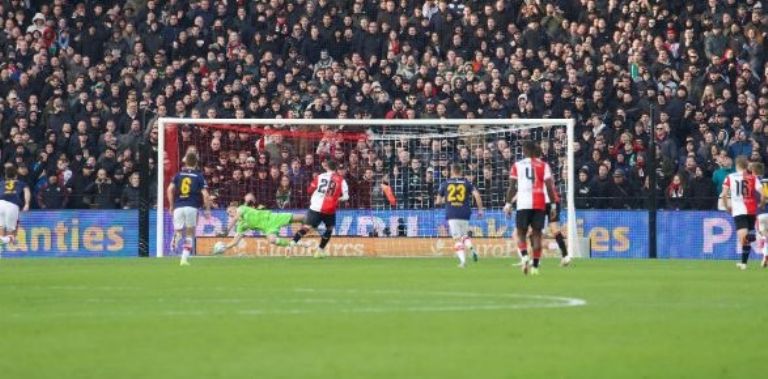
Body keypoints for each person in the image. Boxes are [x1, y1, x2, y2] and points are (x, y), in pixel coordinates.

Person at [504, 141, 557, 275]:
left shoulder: (517, 165)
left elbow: (512, 187)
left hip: (523, 203)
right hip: (539, 203)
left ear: (524, 151)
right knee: (537, 235)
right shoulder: (544, 165)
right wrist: (553, 205)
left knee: (520, 233)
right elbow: (549, 186)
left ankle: (524, 256)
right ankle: (535, 267)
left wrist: (508, 204)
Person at [292, 160, 349, 258]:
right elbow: (346, 197)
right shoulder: (341, 180)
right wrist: (337, 199)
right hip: (329, 209)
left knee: (307, 227)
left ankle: (293, 242)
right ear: (336, 169)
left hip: (315, 207)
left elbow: (309, 190)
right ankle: (320, 250)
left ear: (327, 167)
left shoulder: (320, 176)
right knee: (329, 229)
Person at [435, 164, 484, 268]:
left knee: (457, 239)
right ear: (461, 172)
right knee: (464, 235)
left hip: (452, 213)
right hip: (465, 212)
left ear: (452, 171)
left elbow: (438, 201)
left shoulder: (445, 183)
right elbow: (477, 195)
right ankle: (472, 249)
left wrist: (445, 199)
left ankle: (463, 261)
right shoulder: (467, 183)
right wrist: (480, 210)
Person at [166, 152, 211, 266]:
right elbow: (205, 195)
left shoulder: (178, 175)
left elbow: (169, 189)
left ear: (185, 162)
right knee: (190, 233)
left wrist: (171, 205)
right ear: (196, 163)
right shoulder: (198, 176)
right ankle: (184, 259)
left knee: (179, 231)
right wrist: (207, 209)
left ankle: (175, 239)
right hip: (191, 206)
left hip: (178, 206)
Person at [720, 156, 764, 270]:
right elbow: (763, 193)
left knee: (744, 239)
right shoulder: (753, 177)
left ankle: (762, 238)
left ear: (737, 165)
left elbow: (724, 194)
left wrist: (726, 207)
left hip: (739, 211)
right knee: (746, 238)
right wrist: (761, 204)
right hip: (752, 210)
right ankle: (744, 263)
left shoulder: (730, 177)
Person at [218, 200, 306, 255]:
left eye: (230, 211)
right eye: (228, 214)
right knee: (272, 240)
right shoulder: (240, 226)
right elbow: (235, 242)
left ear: (235, 208)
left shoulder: (241, 208)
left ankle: (313, 221)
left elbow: (236, 217)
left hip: (272, 218)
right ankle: (295, 243)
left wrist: (227, 229)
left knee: (303, 218)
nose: (230, 214)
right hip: (268, 228)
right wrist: (224, 247)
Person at [533, 144, 570, 266]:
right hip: (551, 201)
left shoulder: (538, 168)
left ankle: (537, 258)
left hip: (547, 201)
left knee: (537, 230)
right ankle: (565, 256)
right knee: (553, 229)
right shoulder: (544, 167)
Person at [0, 164, 31, 255]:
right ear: (16, 175)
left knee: (1, 228)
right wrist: (27, 204)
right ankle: (9, 239)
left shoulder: (1, 183)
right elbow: (27, 192)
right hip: (12, 205)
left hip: (0, 203)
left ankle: (0, 251)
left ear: (6, 176)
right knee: (12, 233)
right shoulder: (21, 183)